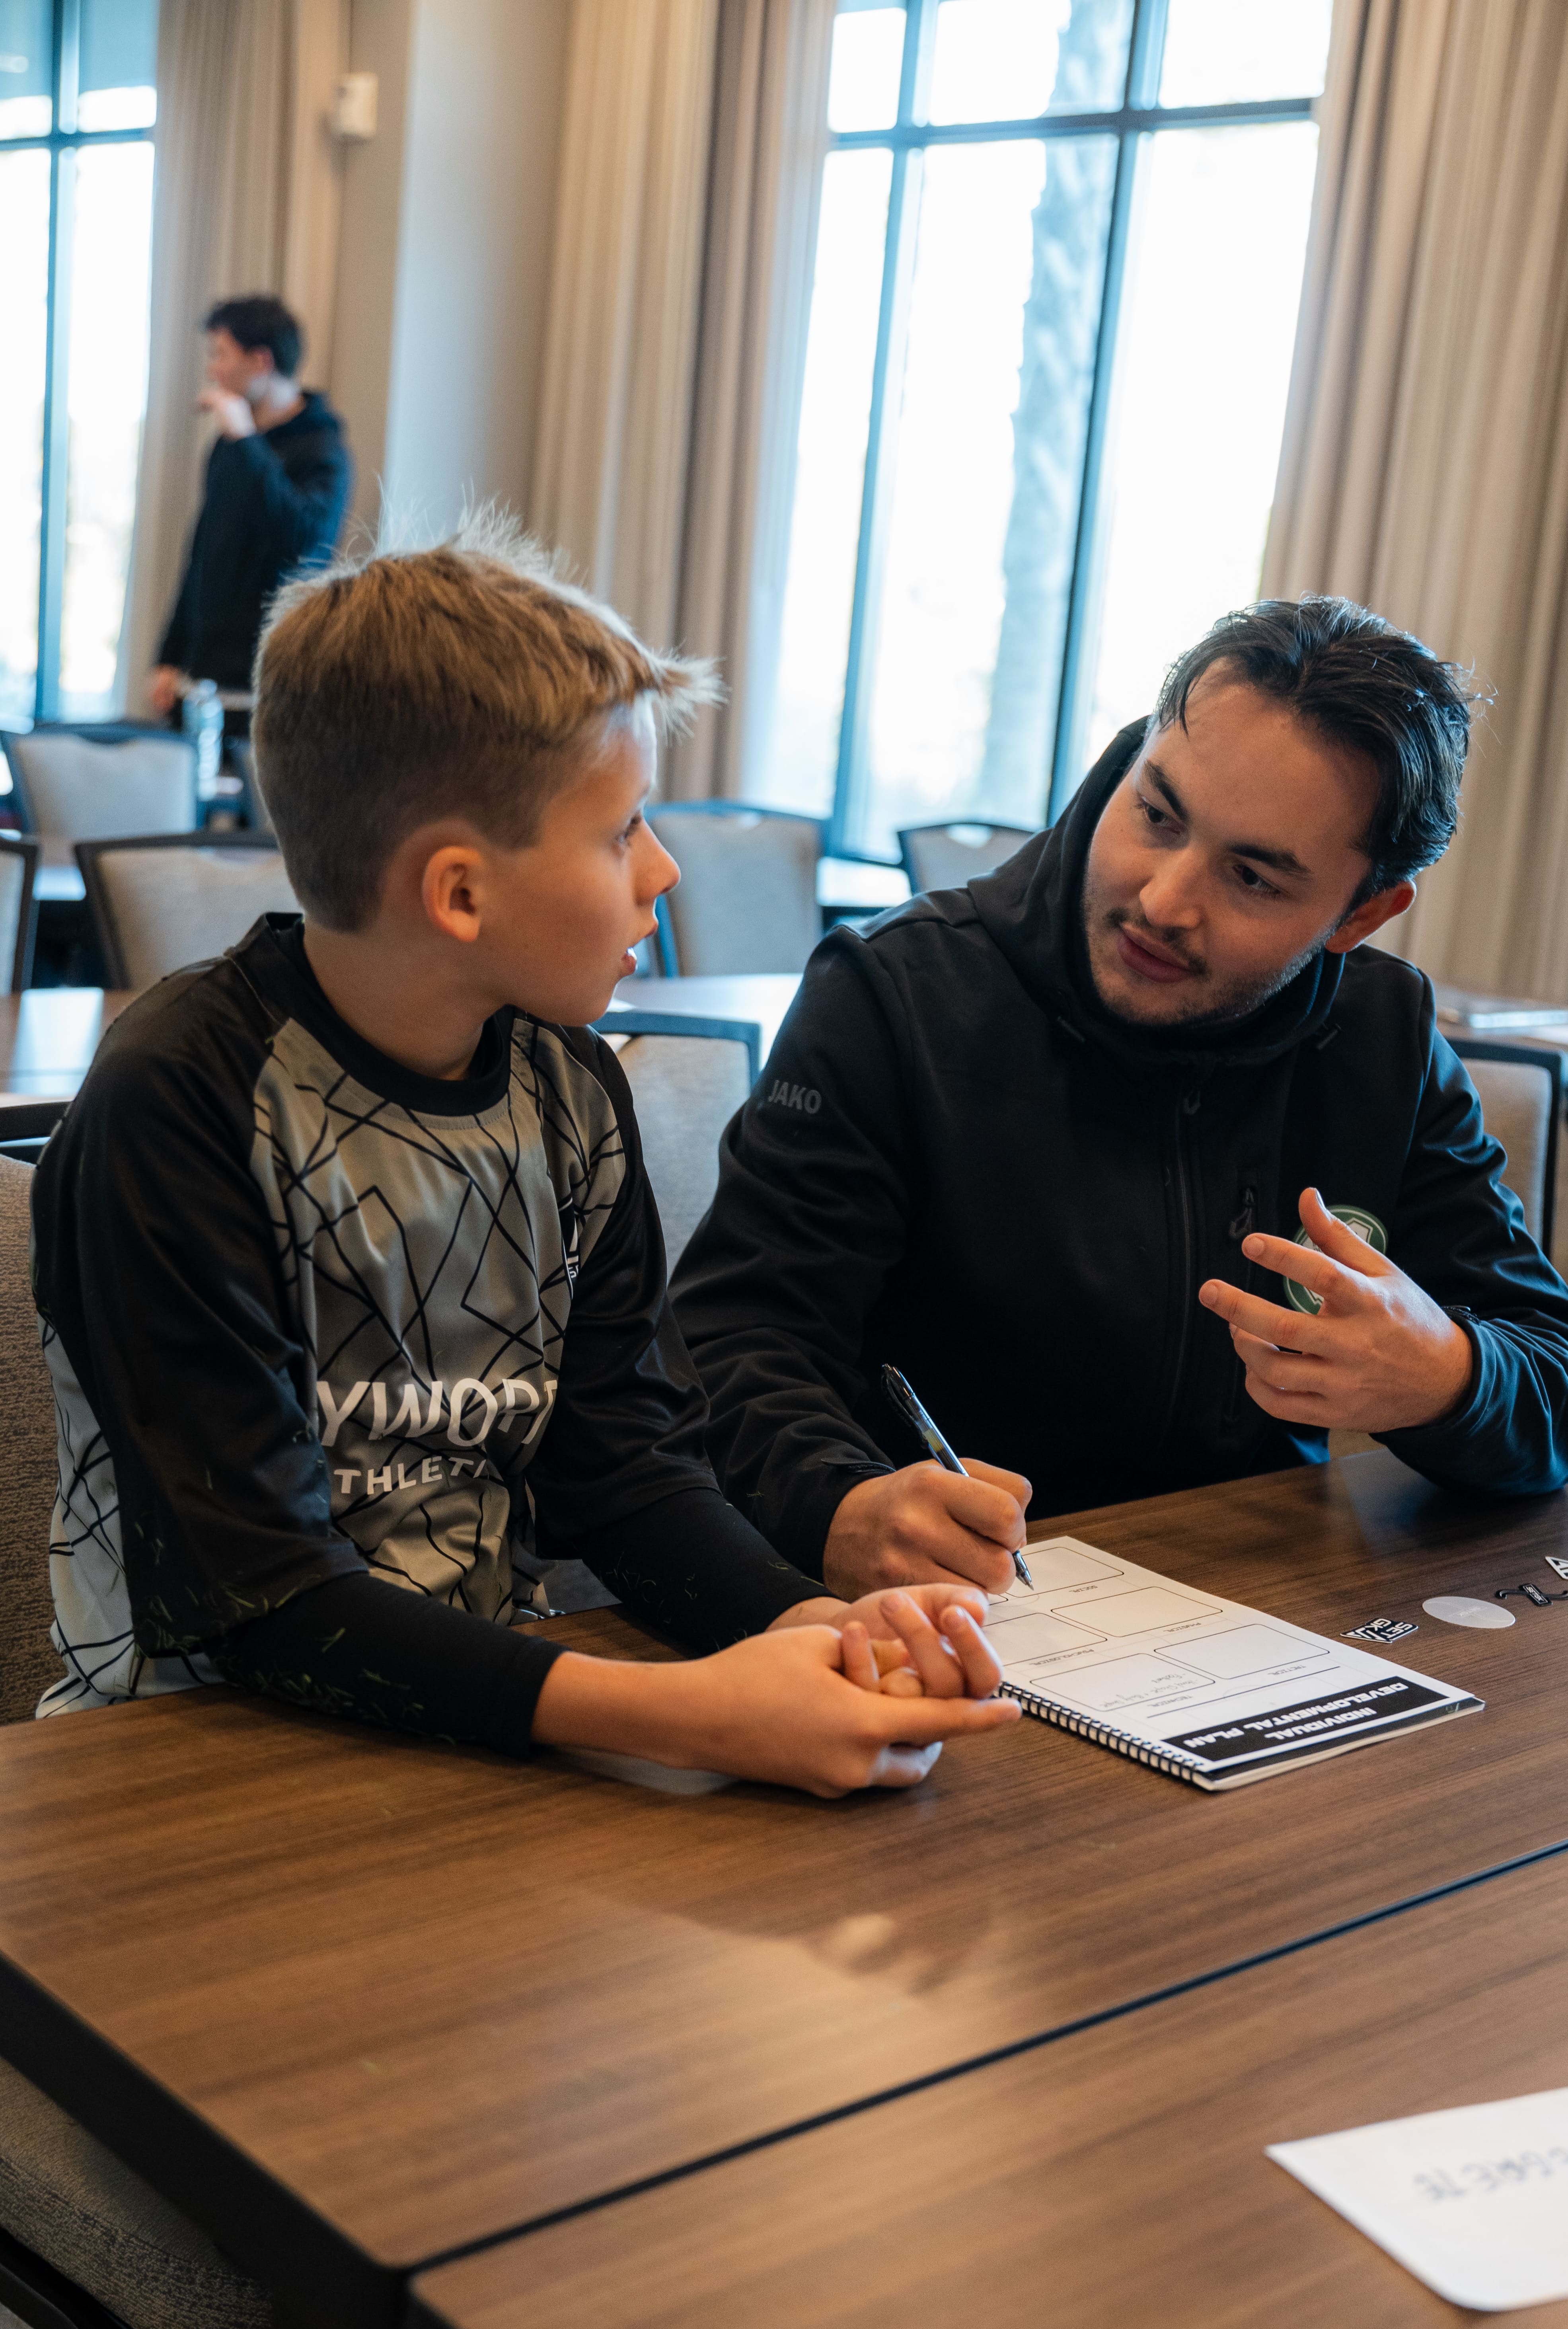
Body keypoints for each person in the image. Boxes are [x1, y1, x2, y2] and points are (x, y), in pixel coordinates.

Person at [32, 519, 1017, 1797]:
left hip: (491, 1726)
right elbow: (258, 1597)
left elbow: (620, 1463)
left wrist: (797, 1625)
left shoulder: (570, 1087)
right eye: (620, 832)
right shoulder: (181, 1098)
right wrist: (689, 1715)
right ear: (458, 893)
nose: (661, 869)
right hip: (189, 1759)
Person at [670, 597, 1568, 1599]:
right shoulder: (898, 995)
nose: (1162, 899)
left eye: (1253, 878)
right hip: (962, 1611)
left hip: (1256, 1605)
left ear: (1360, 912)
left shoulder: (1382, 1035)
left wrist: (1452, 1376)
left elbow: (1551, 1370)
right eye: (1158, 815)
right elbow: (735, 1335)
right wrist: (830, 1504)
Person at [146, 294, 352, 724]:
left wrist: (245, 439)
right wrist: (171, 654)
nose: (212, 369)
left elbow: (302, 538)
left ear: (260, 361)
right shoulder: (230, 446)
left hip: (269, 682)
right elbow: (202, 552)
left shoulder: (323, 449)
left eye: (221, 354)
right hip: (204, 675)